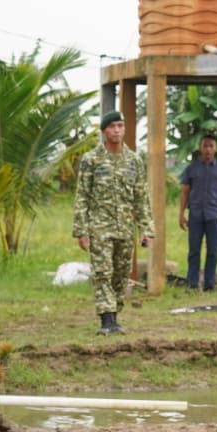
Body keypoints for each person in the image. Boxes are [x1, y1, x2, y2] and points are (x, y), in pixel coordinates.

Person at [72, 111, 155, 335]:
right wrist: (81, 230)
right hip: (100, 226)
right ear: (104, 131)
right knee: (102, 271)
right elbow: (82, 196)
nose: (117, 130)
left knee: (121, 273)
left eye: (120, 126)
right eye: (112, 127)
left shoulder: (134, 161)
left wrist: (147, 229)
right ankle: (106, 319)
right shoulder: (92, 160)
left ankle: (115, 314)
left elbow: (141, 197)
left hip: (126, 228)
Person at [178, 134, 217, 291]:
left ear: (216, 149)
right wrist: (181, 215)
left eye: (211, 146)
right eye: (205, 146)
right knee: (194, 251)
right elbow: (185, 192)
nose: (208, 149)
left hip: (214, 216)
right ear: (200, 148)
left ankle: (210, 283)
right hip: (196, 216)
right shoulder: (191, 169)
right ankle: (192, 283)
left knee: (213, 252)